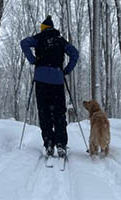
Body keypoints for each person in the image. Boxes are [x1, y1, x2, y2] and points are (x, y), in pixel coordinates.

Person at [20, 15, 79, 158]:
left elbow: (24, 43)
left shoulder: (38, 38)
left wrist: (33, 60)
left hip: (41, 80)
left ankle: (49, 143)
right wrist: (66, 70)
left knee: (44, 112)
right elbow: (75, 54)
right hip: (57, 81)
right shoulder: (60, 41)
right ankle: (61, 144)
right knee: (59, 113)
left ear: (43, 28)